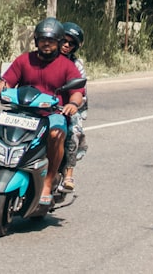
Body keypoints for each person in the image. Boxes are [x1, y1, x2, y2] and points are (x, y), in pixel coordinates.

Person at [0, 17, 85, 206]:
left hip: (52, 114)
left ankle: (48, 182)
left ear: (58, 42)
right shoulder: (24, 60)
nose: (46, 44)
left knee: (56, 134)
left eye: (51, 40)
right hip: (21, 111)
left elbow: (77, 91)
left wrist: (73, 104)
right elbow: (7, 81)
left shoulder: (67, 66)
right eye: (42, 39)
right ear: (36, 41)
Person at [60, 22, 88, 192]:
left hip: (67, 106)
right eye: (63, 40)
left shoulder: (76, 65)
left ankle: (69, 173)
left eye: (71, 43)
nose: (66, 45)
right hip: (40, 104)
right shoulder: (43, 56)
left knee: (73, 132)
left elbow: (81, 91)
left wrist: (73, 104)